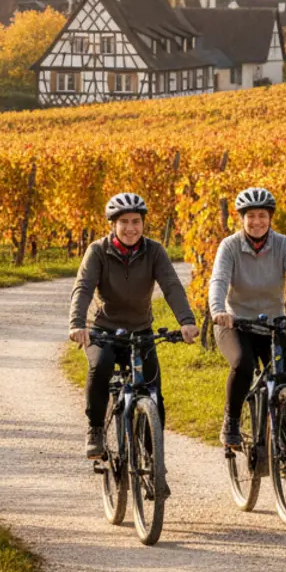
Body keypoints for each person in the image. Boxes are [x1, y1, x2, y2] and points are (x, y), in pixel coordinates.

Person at [70, 192, 199, 459]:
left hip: (140, 332)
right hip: (102, 331)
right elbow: (83, 288)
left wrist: (186, 321)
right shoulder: (98, 251)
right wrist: (77, 323)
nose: (131, 228)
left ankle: (154, 462)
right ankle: (95, 429)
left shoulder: (154, 251)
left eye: (136, 222)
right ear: (113, 225)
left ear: (143, 223)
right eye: (124, 222)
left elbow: (172, 286)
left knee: (153, 394)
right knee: (101, 365)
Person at [208, 187, 286, 447]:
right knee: (243, 363)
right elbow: (219, 280)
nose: (257, 222)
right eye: (251, 216)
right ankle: (231, 422)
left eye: (262, 216)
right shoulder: (230, 246)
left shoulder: (283, 244)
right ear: (241, 218)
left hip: (272, 324)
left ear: (270, 218)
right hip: (236, 324)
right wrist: (217, 310)